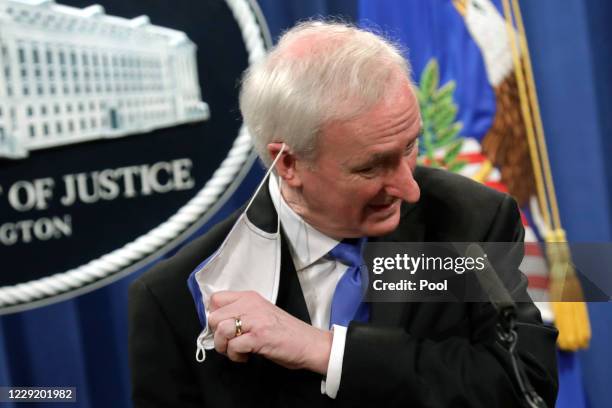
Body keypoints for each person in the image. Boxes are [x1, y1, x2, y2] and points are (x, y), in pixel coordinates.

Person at [129, 21, 558, 407]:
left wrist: (329, 352)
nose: (409, 188)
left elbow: (526, 388)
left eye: (409, 147)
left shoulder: (472, 219)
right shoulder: (177, 297)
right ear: (289, 164)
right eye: (371, 166)